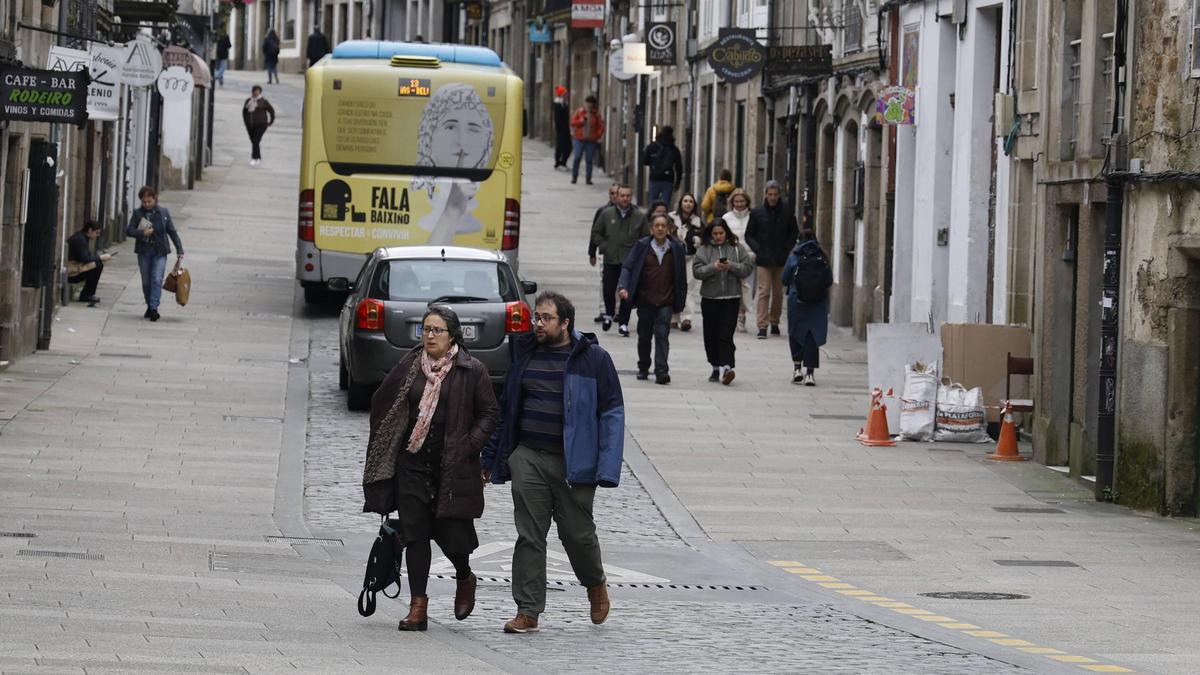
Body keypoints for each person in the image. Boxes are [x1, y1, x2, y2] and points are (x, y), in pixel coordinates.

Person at [482, 291, 624, 634]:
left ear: (565, 322)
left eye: (546, 318)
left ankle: (595, 583)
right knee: (529, 536)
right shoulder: (525, 354)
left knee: (578, 535)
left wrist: (606, 467)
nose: (538, 324)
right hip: (529, 457)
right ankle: (527, 610)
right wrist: (493, 456)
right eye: (537, 318)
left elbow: (612, 413)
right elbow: (507, 410)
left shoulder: (593, 359)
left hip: (574, 464)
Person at [362, 306, 500, 631]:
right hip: (412, 464)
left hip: (451, 467)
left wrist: (467, 446)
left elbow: (490, 414)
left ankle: (464, 577)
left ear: (453, 335)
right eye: (426, 329)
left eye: (437, 330)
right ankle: (418, 607)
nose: (429, 335)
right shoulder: (411, 366)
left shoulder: (471, 370)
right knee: (415, 535)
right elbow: (386, 402)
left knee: (453, 537)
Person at [618, 214, 687, 385]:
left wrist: (681, 299)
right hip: (645, 300)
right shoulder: (642, 246)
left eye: (663, 225)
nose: (660, 229)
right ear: (651, 229)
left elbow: (681, 276)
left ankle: (661, 371)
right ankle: (643, 367)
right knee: (644, 336)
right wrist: (623, 287)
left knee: (662, 335)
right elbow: (628, 266)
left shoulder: (676, 248)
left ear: (669, 228)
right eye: (657, 225)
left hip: (666, 301)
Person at [693, 220, 755, 384]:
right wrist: (713, 267)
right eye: (715, 234)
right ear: (710, 234)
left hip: (731, 297)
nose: (719, 236)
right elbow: (697, 271)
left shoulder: (736, 248)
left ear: (726, 233)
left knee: (726, 334)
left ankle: (727, 366)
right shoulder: (704, 250)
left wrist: (731, 266)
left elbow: (747, 268)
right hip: (710, 298)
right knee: (711, 334)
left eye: (721, 233)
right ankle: (714, 366)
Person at [589, 184, 648, 337]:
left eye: (628, 196)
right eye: (622, 196)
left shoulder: (639, 216)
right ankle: (609, 314)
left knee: (626, 293)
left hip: (629, 261)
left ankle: (623, 322)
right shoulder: (607, 214)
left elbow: (645, 237)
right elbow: (596, 232)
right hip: (611, 259)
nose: (625, 199)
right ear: (617, 197)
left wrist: (639, 254)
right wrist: (603, 246)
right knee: (608, 288)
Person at [745, 180, 799, 340]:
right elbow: (749, 234)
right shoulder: (757, 213)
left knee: (778, 293)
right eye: (770, 194)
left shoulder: (787, 212)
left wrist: (787, 248)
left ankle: (774, 320)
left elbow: (794, 232)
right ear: (766, 195)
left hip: (781, 258)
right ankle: (762, 325)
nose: (773, 197)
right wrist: (758, 249)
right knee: (764, 291)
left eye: (775, 195)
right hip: (763, 258)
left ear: (779, 195)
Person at [125, 186, 183, 322]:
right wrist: (141, 233)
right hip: (144, 251)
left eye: (149, 201)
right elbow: (129, 230)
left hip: (160, 250)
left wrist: (179, 250)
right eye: (144, 202)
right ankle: (149, 305)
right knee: (146, 282)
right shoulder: (138, 213)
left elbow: (172, 232)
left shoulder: (163, 212)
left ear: (155, 199)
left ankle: (153, 308)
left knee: (157, 279)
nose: (146, 204)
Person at [783, 231, 833, 386]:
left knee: (796, 332)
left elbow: (784, 279)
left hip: (796, 300)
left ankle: (797, 368)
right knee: (812, 334)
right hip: (817, 303)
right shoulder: (822, 257)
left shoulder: (794, 257)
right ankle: (810, 373)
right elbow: (829, 280)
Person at [670, 192, 703, 332]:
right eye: (685, 201)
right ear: (681, 203)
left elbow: (703, 237)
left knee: (689, 286)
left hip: (691, 257)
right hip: (673, 257)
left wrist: (697, 241)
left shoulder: (697, 221)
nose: (688, 203)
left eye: (691, 201)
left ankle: (686, 318)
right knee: (672, 285)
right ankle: (673, 317)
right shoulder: (671, 217)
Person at [722, 189, 753, 333]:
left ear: (747, 202)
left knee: (746, 288)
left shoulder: (753, 217)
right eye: (736, 201)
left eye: (742, 201)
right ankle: (731, 316)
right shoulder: (726, 218)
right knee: (732, 287)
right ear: (732, 202)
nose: (739, 204)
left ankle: (742, 316)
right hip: (732, 256)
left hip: (749, 256)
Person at [590, 183, 620, 325]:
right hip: (606, 253)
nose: (615, 196)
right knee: (605, 282)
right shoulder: (603, 211)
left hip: (623, 255)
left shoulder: (630, 212)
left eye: (617, 193)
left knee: (621, 282)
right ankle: (604, 310)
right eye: (612, 193)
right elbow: (595, 231)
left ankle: (618, 310)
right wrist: (592, 252)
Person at [66, 220, 112, 306]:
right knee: (97, 265)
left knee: (97, 264)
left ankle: (88, 294)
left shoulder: (83, 238)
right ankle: (87, 295)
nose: (97, 235)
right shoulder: (80, 239)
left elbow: (87, 256)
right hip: (71, 272)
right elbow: (85, 258)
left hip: (75, 268)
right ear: (90, 230)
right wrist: (101, 257)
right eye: (97, 232)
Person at [643, 126, 683, 206]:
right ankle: (664, 217)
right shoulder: (674, 149)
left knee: (653, 203)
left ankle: (652, 217)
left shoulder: (651, 147)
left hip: (654, 178)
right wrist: (678, 182)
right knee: (666, 203)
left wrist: (654, 163)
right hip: (668, 179)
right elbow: (679, 167)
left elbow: (645, 161)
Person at [570, 95, 605, 185]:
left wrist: (596, 136)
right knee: (577, 157)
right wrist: (581, 121)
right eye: (587, 104)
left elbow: (601, 127)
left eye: (590, 104)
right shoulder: (579, 112)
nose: (588, 106)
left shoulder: (596, 114)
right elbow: (573, 122)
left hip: (591, 141)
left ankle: (588, 178)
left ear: (593, 105)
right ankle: (574, 177)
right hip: (579, 139)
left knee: (589, 159)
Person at [243, 85, 276, 167]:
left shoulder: (264, 101)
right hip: (250, 125)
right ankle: (258, 157)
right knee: (254, 141)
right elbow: (244, 111)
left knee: (256, 141)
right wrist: (246, 122)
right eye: (254, 91)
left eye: (257, 91)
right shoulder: (248, 101)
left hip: (261, 125)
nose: (255, 92)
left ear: (260, 92)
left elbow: (271, 111)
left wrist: (270, 121)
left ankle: (254, 158)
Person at [552, 86, 571, 169]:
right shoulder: (558, 105)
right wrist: (561, 129)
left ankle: (563, 162)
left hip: (565, 129)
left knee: (568, 146)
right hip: (561, 130)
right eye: (565, 94)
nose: (566, 96)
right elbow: (558, 119)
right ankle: (558, 163)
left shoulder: (564, 104)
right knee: (561, 146)